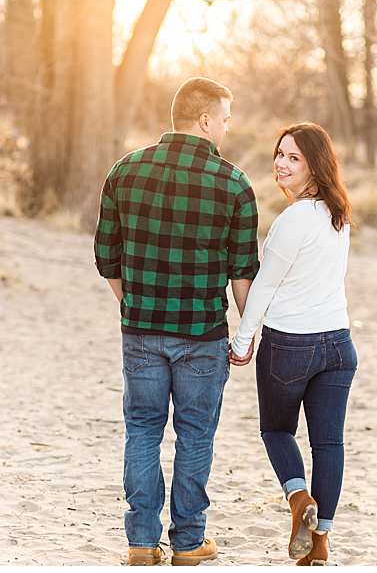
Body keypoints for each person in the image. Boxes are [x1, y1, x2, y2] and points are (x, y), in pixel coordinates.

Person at [94, 77, 260, 566]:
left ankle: (142, 542)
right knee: (195, 434)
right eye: (226, 119)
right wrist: (247, 333)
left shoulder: (124, 171)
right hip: (203, 336)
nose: (227, 128)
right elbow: (241, 273)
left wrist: (134, 306)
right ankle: (188, 541)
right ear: (205, 120)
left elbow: (107, 257)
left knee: (143, 430)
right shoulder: (234, 184)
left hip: (141, 331)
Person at [228, 124, 355, 567]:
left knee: (276, 430)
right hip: (339, 345)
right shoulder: (338, 214)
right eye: (279, 154)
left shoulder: (293, 220)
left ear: (315, 165)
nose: (281, 164)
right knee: (329, 445)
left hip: (290, 346)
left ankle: (299, 499)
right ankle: (320, 541)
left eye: (294, 158)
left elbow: (263, 287)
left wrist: (243, 341)